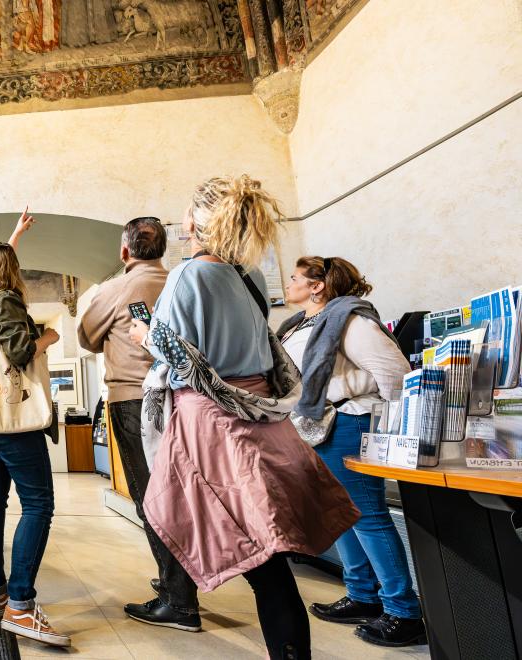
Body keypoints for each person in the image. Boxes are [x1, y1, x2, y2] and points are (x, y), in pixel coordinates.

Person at [129, 175, 359, 660]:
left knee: (267, 569)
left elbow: (176, 358)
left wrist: (143, 337)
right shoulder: (249, 276)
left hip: (215, 429)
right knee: (272, 564)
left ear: (192, 221)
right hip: (264, 421)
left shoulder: (188, 276)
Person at [279, 256, 427, 647]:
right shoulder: (300, 325)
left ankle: (403, 612)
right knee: (339, 513)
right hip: (318, 426)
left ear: (318, 286)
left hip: (349, 422)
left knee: (368, 517)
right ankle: (363, 595)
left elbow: (395, 374)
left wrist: (386, 427)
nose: (288, 282)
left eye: (296, 277)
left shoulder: (350, 319)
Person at [77, 217, 203, 632]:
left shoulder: (115, 290)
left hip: (134, 401)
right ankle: (179, 580)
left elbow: (87, 337)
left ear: (125, 252)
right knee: (180, 494)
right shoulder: (183, 282)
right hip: (186, 400)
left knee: (151, 498)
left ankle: (178, 601)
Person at [0, 212, 69, 648]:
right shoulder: (6, 299)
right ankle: (21, 606)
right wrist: (46, 337)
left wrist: (15, 236)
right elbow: (21, 352)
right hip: (9, 416)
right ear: (8, 273)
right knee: (38, 504)